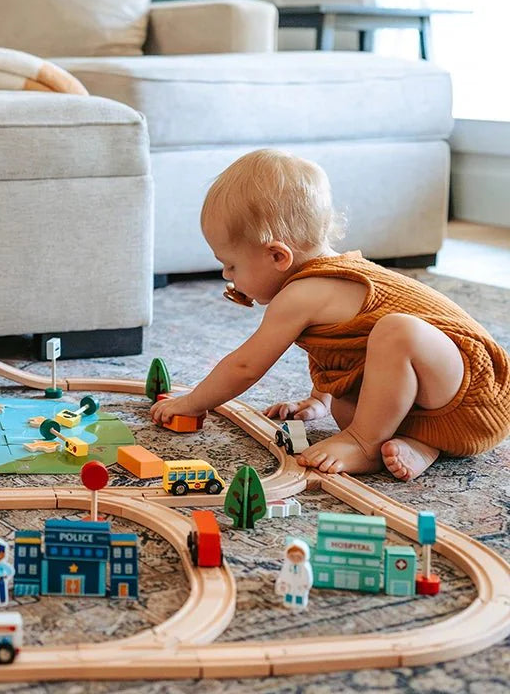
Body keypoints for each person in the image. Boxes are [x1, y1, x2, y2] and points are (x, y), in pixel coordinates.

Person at [148, 149, 510, 481]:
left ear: (278, 256)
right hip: (438, 411)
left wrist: (192, 402)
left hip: (477, 394)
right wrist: (319, 399)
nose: (227, 276)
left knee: (397, 331)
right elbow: (340, 348)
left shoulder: (303, 293)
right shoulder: (318, 286)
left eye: (231, 265)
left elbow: (245, 366)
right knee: (346, 407)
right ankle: (422, 444)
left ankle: (365, 444)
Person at [274, 538, 312, 611]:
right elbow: (283, 573)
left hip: (300, 585)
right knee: (289, 593)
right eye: (292, 556)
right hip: (289, 583)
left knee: (299, 595)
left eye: (298, 557)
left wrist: (306, 584)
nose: (295, 559)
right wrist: (282, 581)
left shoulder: (305, 567)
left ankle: (299, 604)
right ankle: (288, 602)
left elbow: (308, 577)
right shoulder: (287, 565)